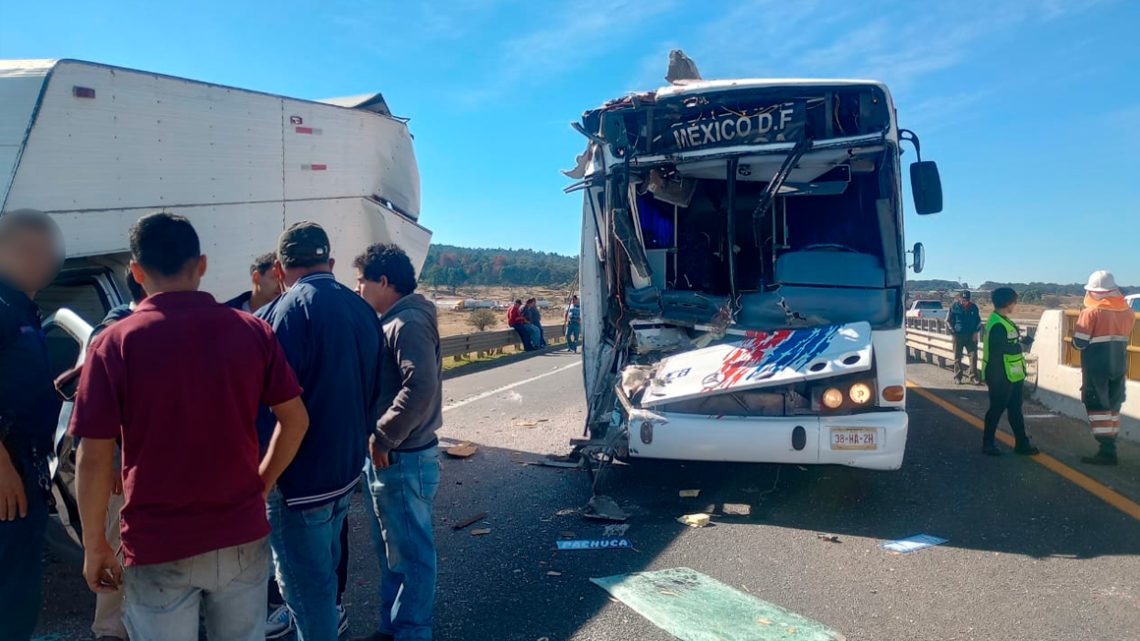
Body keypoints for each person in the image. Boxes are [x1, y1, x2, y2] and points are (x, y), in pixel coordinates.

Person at [69, 212, 310, 641]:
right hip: (241, 531)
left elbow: (93, 457)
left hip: (159, 541)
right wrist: (262, 482)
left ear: (137, 272)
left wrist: (95, 546)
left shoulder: (114, 344)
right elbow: (295, 421)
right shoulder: (252, 331)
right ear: (201, 265)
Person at [256, 222, 383, 641]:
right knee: (324, 580)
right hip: (346, 470)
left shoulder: (280, 315)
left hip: (298, 481)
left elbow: (270, 410)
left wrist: (263, 479)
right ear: (329, 263)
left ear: (279, 268)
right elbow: (374, 389)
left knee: (306, 594)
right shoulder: (362, 308)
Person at [352, 243, 443, 641]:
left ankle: (410, 632)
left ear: (383, 281)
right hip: (393, 456)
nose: (358, 288)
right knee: (394, 552)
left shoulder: (406, 323)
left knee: (412, 556)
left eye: (361, 280)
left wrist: (383, 436)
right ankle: (392, 628)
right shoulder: (392, 321)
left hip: (402, 456)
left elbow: (420, 386)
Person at [0, 209, 64, 641]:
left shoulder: (21, 306)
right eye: (26, 249)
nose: (38, 258)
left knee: (18, 576)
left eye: (44, 250)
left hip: (27, 464)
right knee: (12, 583)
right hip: (10, 468)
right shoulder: (3, 308)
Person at [88, 269, 146, 641]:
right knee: (119, 547)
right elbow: (92, 408)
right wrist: (110, 462)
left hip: (154, 467)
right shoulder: (112, 331)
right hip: (123, 468)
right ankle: (111, 631)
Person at [1073, 270, 1136, 466]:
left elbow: (1079, 343)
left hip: (1096, 367)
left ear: (1094, 292)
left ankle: (1107, 451)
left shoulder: (1090, 313)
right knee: (1113, 407)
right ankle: (1111, 445)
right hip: (1119, 364)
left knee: (1097, 406)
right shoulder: (1128, 312)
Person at [980, 287, 1040, 457]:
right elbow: (1000, 348)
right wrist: (1021, 346)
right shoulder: (998, 323)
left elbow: (1007, 343)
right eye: (1014, 301)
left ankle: (1022, 443)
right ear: (1008, 303)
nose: (1015, 305)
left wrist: (1019, 343)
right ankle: (988, 443)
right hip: (999, 374)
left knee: (1015, 409)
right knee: (997, 408)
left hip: (1011, 373)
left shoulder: (1002, 320)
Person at [947, 290, 982, 384]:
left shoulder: (974, 307)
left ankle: (973, 376)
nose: (963, 302)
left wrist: (976, 332)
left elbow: (979, 321)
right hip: (958, 335)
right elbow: (948, 321)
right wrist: (953, 332)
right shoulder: (954, 306)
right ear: (959, 298)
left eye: (965, 300)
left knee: (973, 356)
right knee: (957, 356)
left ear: (969, 299)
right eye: (962, 299)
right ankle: (957, 377)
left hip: (971, 336)